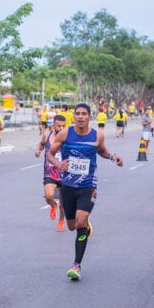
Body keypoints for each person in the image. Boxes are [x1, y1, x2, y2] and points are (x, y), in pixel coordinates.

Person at [47, 103, 123, 280]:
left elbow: (102, 151)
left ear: (90, 117)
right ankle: (85, 226)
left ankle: (76, 265)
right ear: (73, 116)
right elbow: (50, 154)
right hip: (68, 186)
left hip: (88, 186)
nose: (80, 117)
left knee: (81, 222)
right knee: (72, 226)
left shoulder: (98, 135)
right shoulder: (65, 134)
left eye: (84, 114)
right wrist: (58, 164)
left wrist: (113, 157)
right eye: (77, 114)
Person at [35, 114, 67, 231]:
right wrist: (38, 150)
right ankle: (53, 205)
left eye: (64, 126)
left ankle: (61, 220)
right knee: (49, 195)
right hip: (49, 172)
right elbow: (42, 144)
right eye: (59, 126)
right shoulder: (47, 135)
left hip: (64, 174)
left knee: (64, 203)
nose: (61, 128)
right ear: (53, 126)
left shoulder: (67, 137)